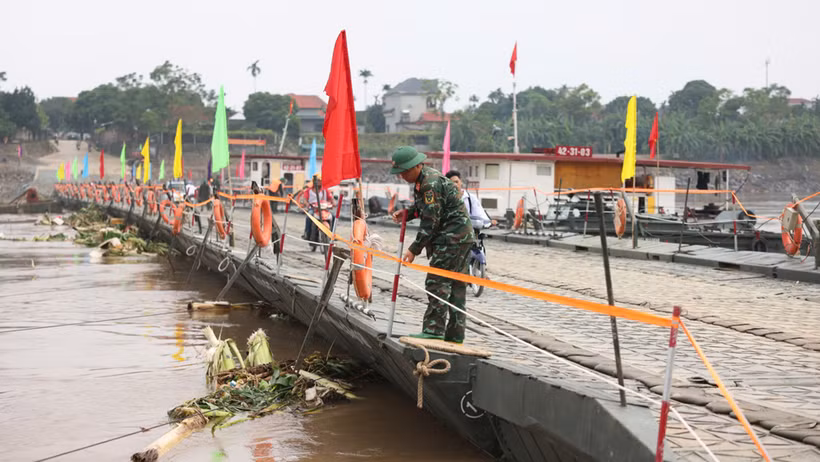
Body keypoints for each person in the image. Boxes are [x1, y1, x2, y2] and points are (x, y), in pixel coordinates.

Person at [390, 146, 474, 344]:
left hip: (451, 238)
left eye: (404, 171)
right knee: (456, 285)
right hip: (462, 236)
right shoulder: (424, 180)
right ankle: (455, 335)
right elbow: (427, 208)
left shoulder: (429, 184)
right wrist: (408, 213)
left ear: (416, 166)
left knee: (437, 281)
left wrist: (414, 249)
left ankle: (434, 329)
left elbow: (431, 222)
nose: (402, 176)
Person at [303, 173, 336, 240]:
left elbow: (331, 198)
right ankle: (307, 234)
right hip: (313, 209)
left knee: (333, 217)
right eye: (317, 180)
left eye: (320, 181)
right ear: (314, 181)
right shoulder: (308, 191)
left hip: (324, 209)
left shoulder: (325, 190)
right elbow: (305, 200)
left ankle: (332, 234)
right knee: (309, 217)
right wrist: (307, 204)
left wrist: (333, 203)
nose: (319, 182)